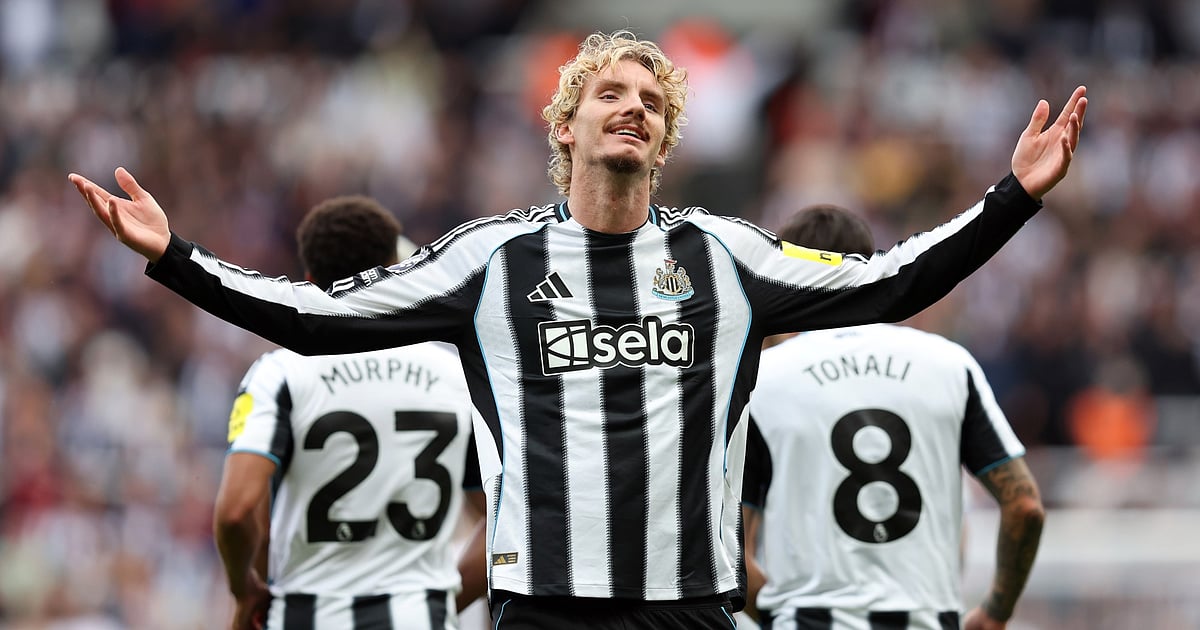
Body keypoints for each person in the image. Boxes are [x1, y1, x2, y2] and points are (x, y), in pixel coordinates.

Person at [68, 30, 1084, 630]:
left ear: (667, 139)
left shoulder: (724, 256)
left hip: (692, 606)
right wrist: (176, 255)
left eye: (652, 100)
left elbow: (889, 281)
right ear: (566, 125)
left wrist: (1012, 198)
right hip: (543, 609)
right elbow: (318, 320)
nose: (632, 107)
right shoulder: (489, 258)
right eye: (611, 92)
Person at [742, 204, 1045, 630]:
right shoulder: (948, 365)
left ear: (789, 277)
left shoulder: (764, 380)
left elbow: (726, 547)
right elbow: (1025, 506)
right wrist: (996, 611)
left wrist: (779, 615)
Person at [211, 195, 486, 630]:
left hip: (308, 616)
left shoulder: (280, 373)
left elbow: (235, 511)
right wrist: (444, 599)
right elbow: (505, 516)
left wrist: (243, 587)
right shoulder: (458, 376)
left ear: (309, 281)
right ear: (396, 272)